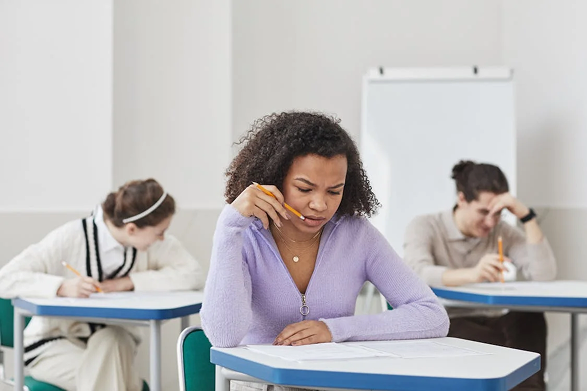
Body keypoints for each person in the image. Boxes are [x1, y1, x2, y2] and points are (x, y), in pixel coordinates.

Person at [200, 112, 449, 391]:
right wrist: (228, 228)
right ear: (274, 180)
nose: (320, 205)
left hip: (333, 384)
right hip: (260, 385)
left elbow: (431, 315)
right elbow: (223, 336)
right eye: (305, 189)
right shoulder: (244, 235)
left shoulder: (357, 235)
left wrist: (335, 330)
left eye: (334, 191)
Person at [0, 179, 205, 391]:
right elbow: (5, 278)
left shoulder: (149, 244)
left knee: (112, 337)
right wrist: (61, 287)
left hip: (114, 345)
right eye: (160, 232)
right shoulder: (72, 237)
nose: (163, 238)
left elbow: (193, 273)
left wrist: (129, 282)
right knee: (124, 383)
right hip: (53, 347)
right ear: (132, 229)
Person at [403, 160, 557, 391]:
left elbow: (544, 274)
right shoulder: (426, 226)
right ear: (462, 199)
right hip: (447, 320)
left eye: (498, 213)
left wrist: (526, 217)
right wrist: (472, 274)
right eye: (484, 212)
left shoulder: (500, 231)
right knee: (499, 347)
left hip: (491, 319)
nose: (490, 222)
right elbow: (417, 274)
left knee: (529, 318)